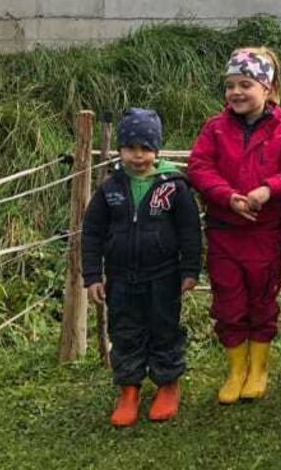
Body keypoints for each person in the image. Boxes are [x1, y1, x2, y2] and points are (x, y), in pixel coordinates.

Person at [187, 46, 281, 403]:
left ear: (267, 89)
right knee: (229, 302)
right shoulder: (215, 129)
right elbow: (199, 167)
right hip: (224, 232)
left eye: (246, 84)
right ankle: (236, 369)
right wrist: (227, 196)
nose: (236, 92)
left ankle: (258, 368)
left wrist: (268, 190)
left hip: (264, 234)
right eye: (230, 85)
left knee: (261, 300)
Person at [82, 108, 201, 427]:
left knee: (164, 329)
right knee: (124, 331)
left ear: (157, 150)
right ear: (120, 149)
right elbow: (92, 232)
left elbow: (190, 230)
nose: (138, 155)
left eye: (146, 148)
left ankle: (167, 385)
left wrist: (190, 269)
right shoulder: (110, 189)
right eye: (131, 148)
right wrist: (92, 275)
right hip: (120, 278)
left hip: (164, 275)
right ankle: (129, 389)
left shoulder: (174, 186)